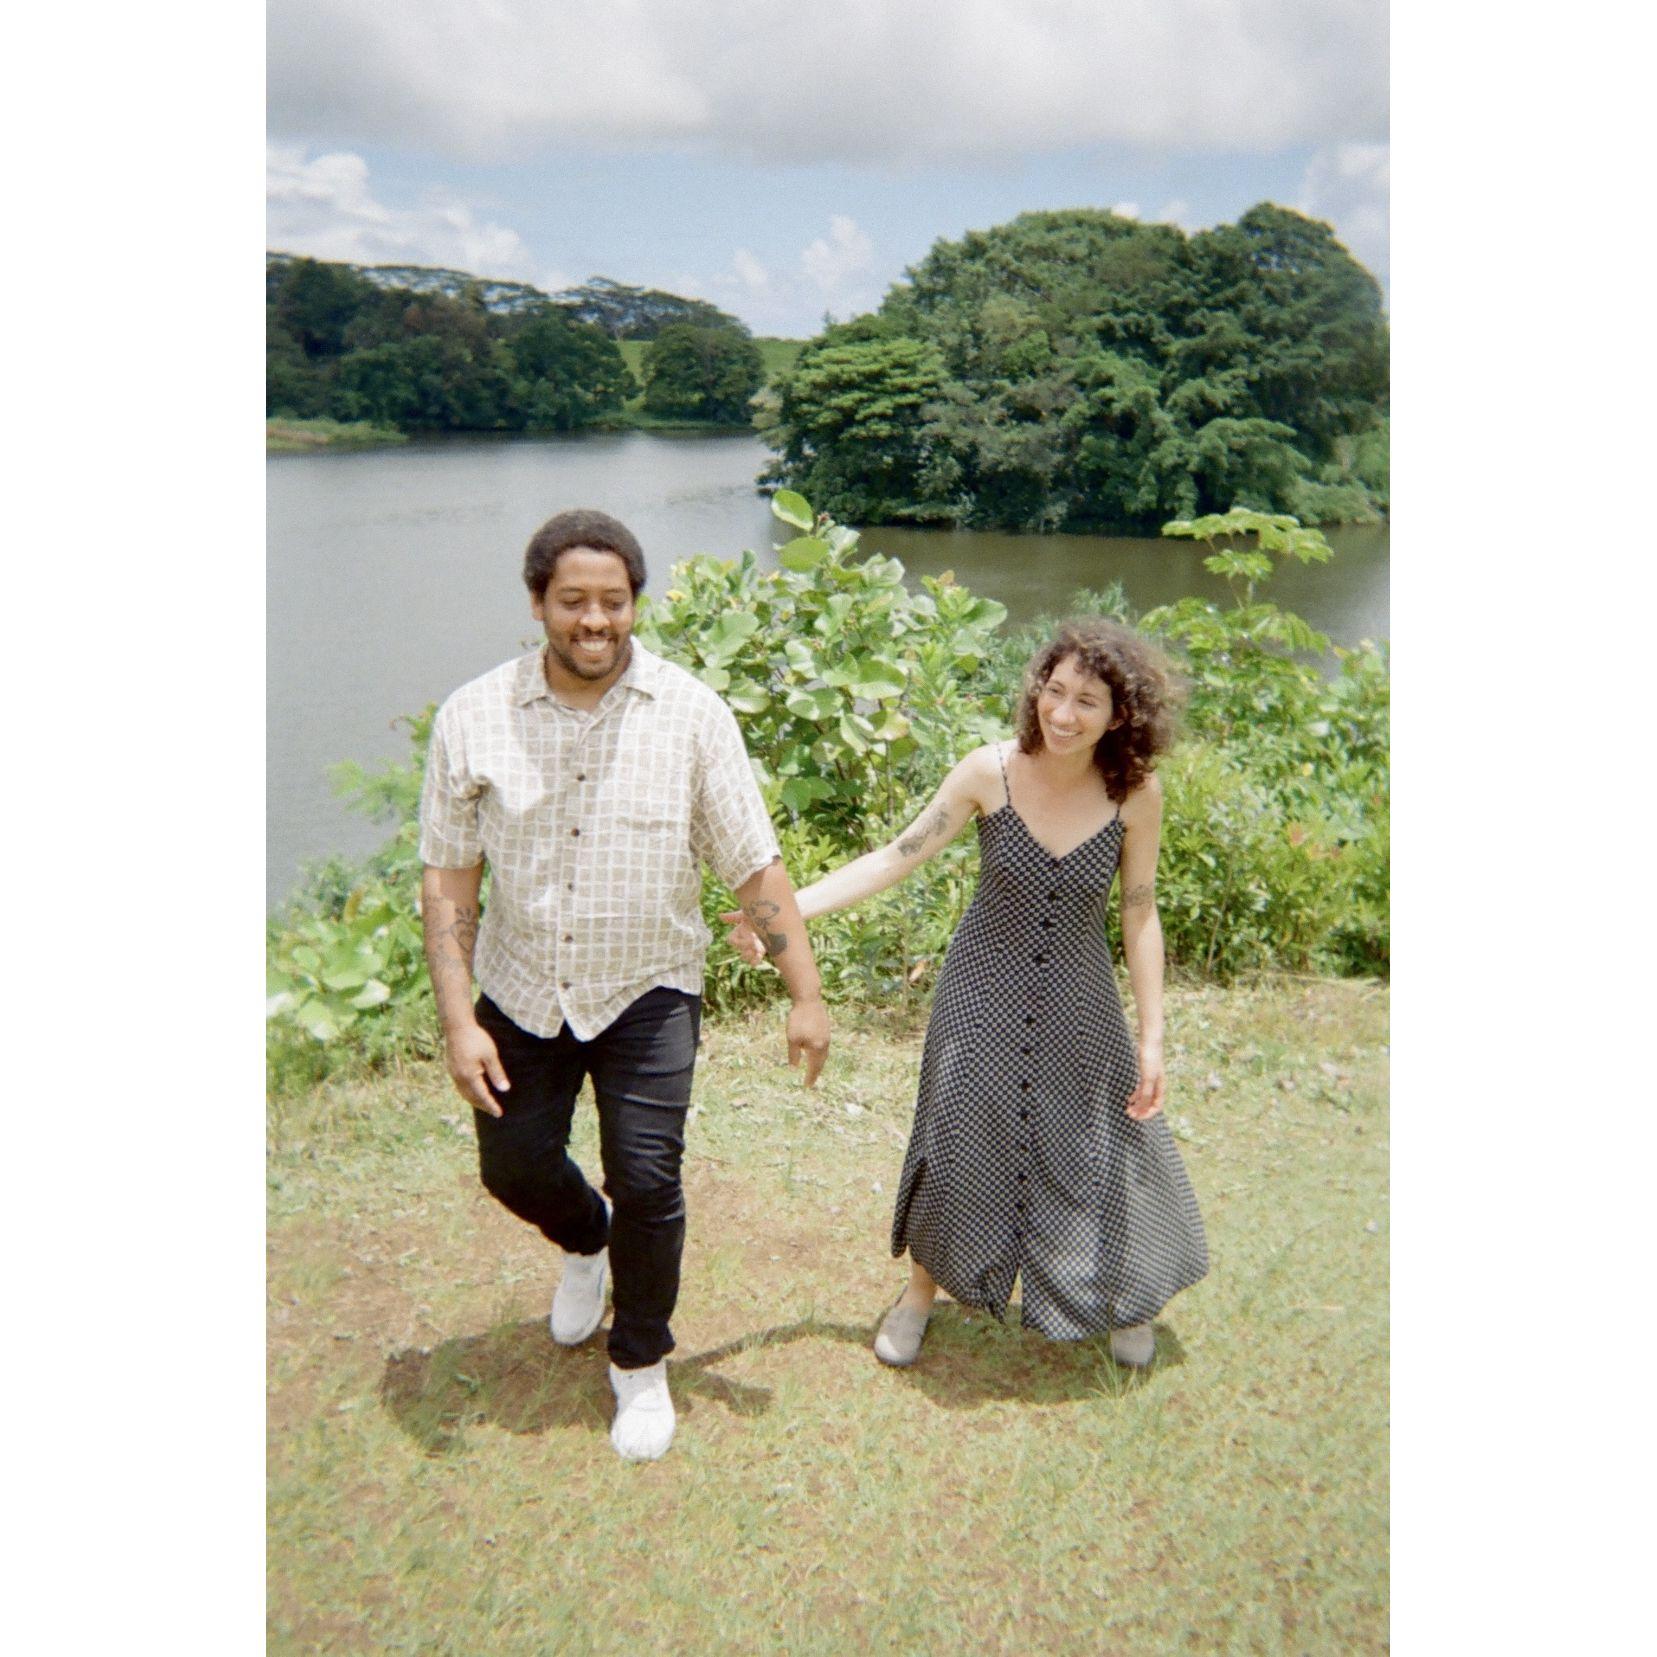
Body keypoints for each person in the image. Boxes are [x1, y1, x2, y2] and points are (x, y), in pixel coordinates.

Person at [419, 507, 830, 1462]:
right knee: (511, 1165)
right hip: (522, 983)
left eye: (613, 600)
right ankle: (584, 1239)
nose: (594, 619)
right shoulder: (472, 716)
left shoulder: (691, 714)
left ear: (635, 603)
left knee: (648, 1179)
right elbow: (448, 878)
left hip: (649, 988)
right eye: (573, 600)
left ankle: (640, 1359)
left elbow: (752, 865)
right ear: (538, 603)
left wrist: (804, 995)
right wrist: (457, 1018)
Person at [727, 618, 1207, 1368]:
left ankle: (1126, 1296)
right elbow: (894, 857)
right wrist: (781, 915)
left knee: (1102, 1139)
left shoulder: (1135, 793)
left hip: (1080, 995)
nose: (1063, 713)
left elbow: (1139, 911)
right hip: (980, 989)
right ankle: (920, 1294)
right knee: (958, 1137)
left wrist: (1152, 1036)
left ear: (1120, 715)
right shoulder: (990, 772)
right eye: (1054, 691)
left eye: (1087, 701)